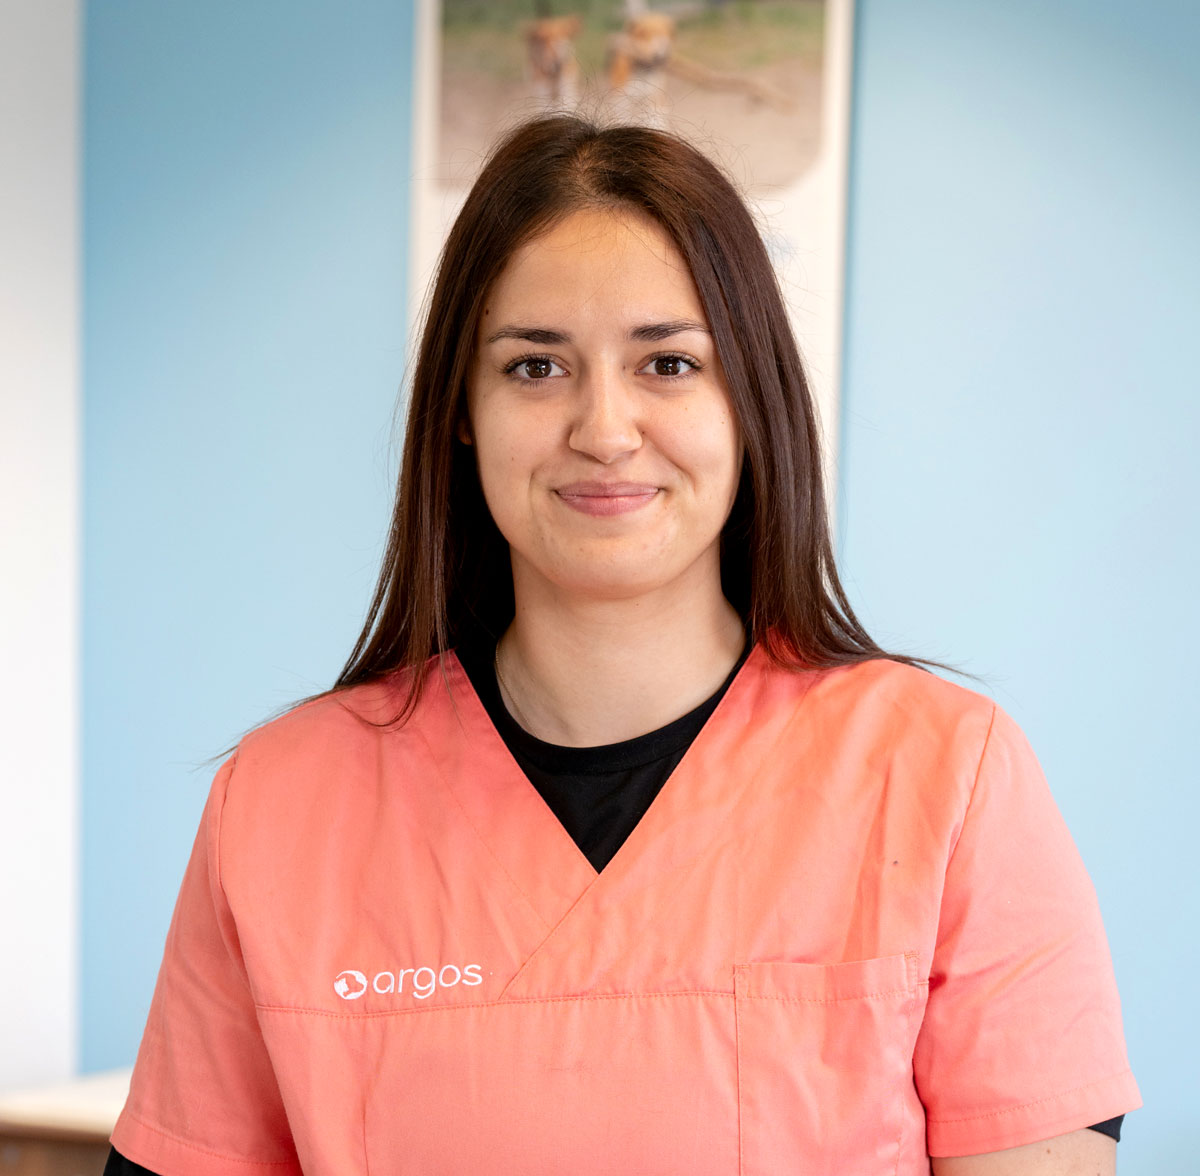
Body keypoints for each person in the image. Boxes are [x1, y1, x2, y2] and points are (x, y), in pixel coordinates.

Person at [105, 114, 1139, 1176]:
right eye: (535, 367)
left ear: (750, 398)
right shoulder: (279, 804)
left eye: (669, 364)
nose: (603, 430)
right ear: (462, 410)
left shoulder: (946, 775)